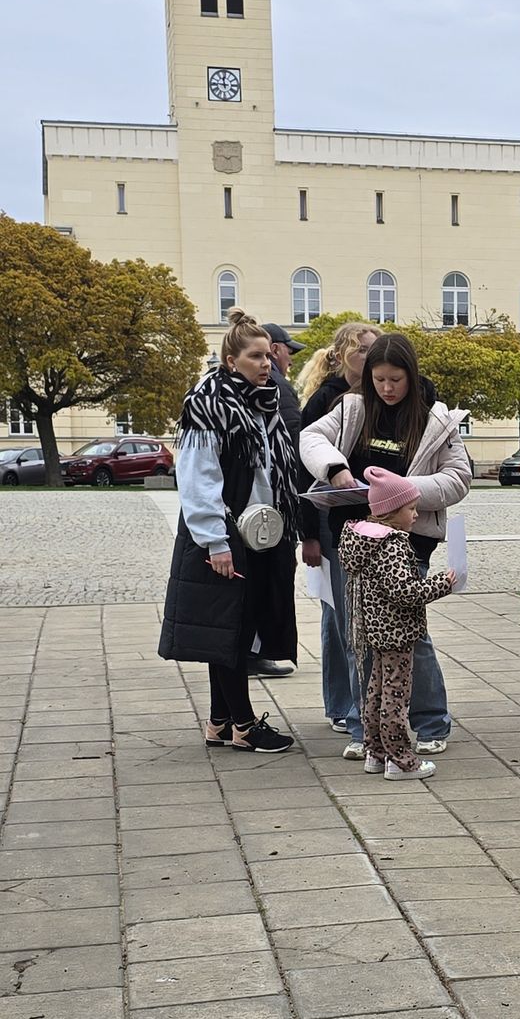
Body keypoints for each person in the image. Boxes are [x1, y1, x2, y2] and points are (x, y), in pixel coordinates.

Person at [299, 333, 471, 757]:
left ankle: (430, 722)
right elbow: (310, 438)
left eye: (396, 379)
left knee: (410, 633)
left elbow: (458, 478)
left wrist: (402, 491)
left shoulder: (436, 420)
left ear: (411, 376)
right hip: (354, 539)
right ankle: (364, 729)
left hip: (408, 541)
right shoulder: (352, 408)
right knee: (356, 632)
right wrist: (335, 468)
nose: (387, 388)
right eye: (379, 380)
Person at [158, 308, 301, 753]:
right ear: (230, 361)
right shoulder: (209, 404)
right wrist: (215, 542)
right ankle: (243, 725)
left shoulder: (261, 402)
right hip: (224, 534)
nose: (266, 364)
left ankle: (219, 722)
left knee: (232, 626)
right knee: (232, 630)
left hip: (256, 532)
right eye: (256, 356)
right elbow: (198, 479)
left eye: (268, 356)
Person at [339, 466, 456, 779]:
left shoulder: (362, 539)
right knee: (396, 697)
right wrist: (443, 583)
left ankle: (375, 753)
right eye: (411, 509)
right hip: (396, 632)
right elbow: (405, 592)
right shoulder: (393, 544)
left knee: (376, 693)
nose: (416, 515)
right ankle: (401, 760)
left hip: (374, 630)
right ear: (391, 511)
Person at [297, 321, 378, 754]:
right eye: (362, 349)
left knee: (347, 618)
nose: (369, 356)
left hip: (368, 518)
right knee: (339, 618)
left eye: (374, 349)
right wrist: (308, 534)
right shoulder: (326, 400)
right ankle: (344, 706)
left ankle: (351, 703)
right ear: (344, 353)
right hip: (333, 522)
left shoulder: (378, 395)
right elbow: (304, 470)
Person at [245, 321, 306, 677]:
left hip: (263, 503)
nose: (288, 360)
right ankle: (255, 651)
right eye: (287, 352)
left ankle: (253, 651)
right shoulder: (276, 388)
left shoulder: (268, 387)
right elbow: (293, 443)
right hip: (271, 505)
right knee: (266, 580)